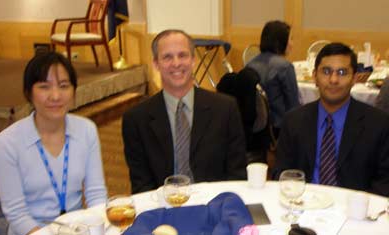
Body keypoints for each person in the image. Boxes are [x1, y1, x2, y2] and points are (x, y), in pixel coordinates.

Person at [0, 52, 107, 235]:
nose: (55, 96)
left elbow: (96, 194)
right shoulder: (8, 142)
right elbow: (16, 214)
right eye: (44, 87)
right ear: (29, 93)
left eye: (63, 86)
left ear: (73, 90)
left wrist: (96, 226)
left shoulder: (86, 130)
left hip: (76, 230)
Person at [122, 29, 247, 194]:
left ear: (193, 60)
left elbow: (236, 176)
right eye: (167, 57)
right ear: (156, 64)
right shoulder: (136, 119)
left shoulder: (225, 109)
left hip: (215, 206)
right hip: (162, 210)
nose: (176, 63)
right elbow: (142, 186)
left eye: (183, 55)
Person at [273, 42, 389, 196]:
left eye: (342, 72)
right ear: (315, 76)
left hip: (356, 212)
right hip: (304, 206)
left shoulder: (378, 123)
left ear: (355, 78)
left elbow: (384, 182)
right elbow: (281, 174)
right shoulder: (294, 121)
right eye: (326, 71)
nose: (333, 80)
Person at [246, 20, 300, 138]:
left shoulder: (250, 64)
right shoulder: (284, 67)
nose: (292, 44)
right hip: (278, 127)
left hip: (255, 126)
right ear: (279, 41)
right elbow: (294, 106)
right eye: (290, 39)